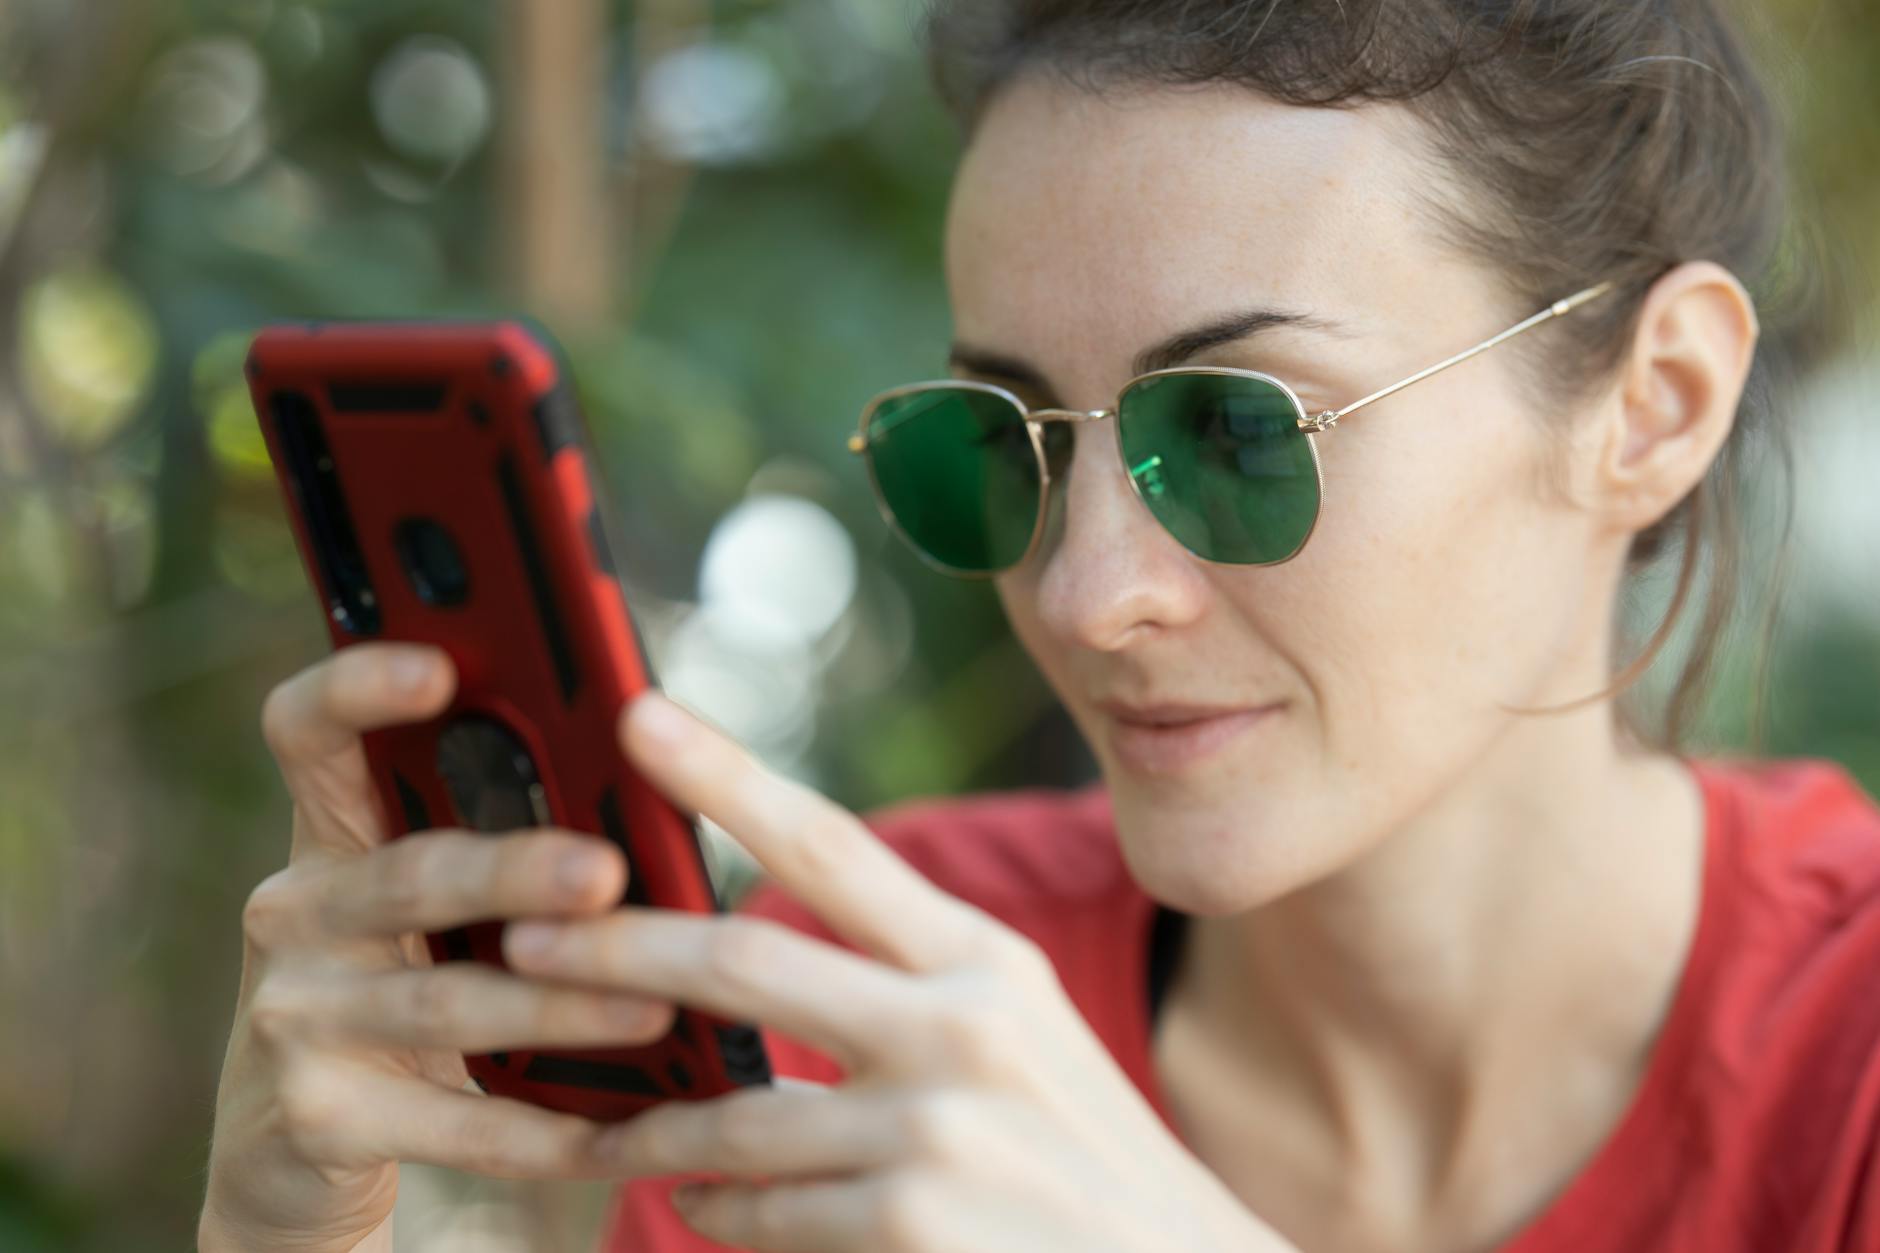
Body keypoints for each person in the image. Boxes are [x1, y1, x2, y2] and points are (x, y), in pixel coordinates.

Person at [199, 1, 1880, 1250]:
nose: (1087, 595)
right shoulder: (870, 1015)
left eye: (1239, 435)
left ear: (1656, 405)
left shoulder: (1845, 1064)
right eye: (992, 446)